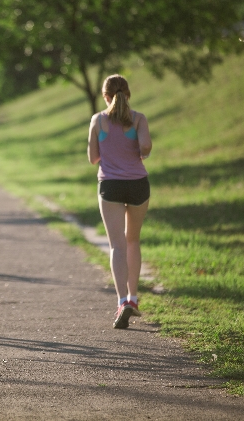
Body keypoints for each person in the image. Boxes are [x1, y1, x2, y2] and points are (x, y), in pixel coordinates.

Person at [87, 74, 152, 329]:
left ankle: (122, 301)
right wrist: (139, 148)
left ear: (105, 96)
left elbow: (93, 158)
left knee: (116, 246)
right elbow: (145, 148)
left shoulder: (98, 120)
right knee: (132, 240)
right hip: (137, 186)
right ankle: (134, 300)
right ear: (128, 94)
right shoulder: (139, 119)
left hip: (110, 186)